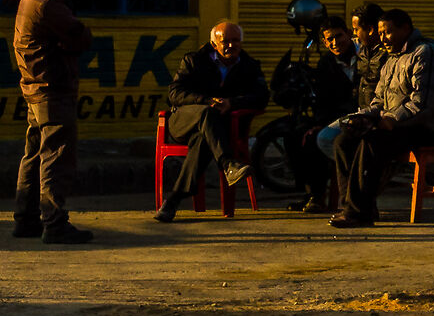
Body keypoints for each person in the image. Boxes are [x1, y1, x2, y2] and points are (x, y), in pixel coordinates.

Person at [324, 5, 434, 229]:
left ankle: (358, 212)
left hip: (423, 126)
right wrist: (362, 117)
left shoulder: (425, 52)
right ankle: (354, 207)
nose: (383, 38)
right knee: (343, 141)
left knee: (372, 143)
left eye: (388, 32)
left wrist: (393, 119)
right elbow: (378, 100)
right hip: (394, 123)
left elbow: (423, 103)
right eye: (381, 33)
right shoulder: (392, 57)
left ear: (406, 28)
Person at [12, 0, 93, 244]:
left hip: (35, 89)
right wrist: (72, 42)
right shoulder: (48, 3)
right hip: (53, 90)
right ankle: (55, 223)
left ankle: (26, 219)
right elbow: (80, 36)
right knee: (56, 157)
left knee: (33, 155)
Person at [153, 21, 271, 222]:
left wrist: (232, 103)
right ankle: (228, 164)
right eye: (225, 41)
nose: (231, 46)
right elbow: (174, 93)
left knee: (204, 141)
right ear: (214, 43)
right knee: (207, 113)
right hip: (184, 122)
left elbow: (262, 96)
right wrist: (207, 101)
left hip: (218, 130)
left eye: (236, 41)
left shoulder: (250, 66)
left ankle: (172, 201)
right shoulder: (194, 60)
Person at [287, 18, 357, 214]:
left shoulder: (364, 57)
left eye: (339, 36)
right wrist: (321, 122)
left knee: (323, 139)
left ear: (349, 34)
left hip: (359, 116)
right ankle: (314, 196)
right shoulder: (326, 62)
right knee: (299, 136)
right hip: (335, 117)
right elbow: (324, 98)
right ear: (325, 42)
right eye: (330, 39)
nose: (335, 43)